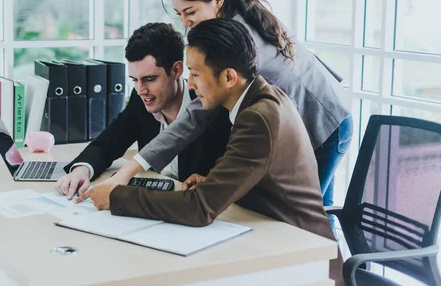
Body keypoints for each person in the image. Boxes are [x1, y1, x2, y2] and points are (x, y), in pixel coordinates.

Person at [79, 19, 341, 283]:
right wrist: (213, 182)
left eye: (195, 74)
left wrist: (118, 198)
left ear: (228, 77)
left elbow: (199, 209)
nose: (190, 84)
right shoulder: (260, 99)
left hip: (303, 256)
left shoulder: (257, 117)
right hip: (272, 237)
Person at [107, 0, 353, 213]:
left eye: (190, 12)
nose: (185, 23)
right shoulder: (230, 24)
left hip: (325, 123)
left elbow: (195, 115)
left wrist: (132, 169)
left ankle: (331, 253)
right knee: (319, 215)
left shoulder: (237, 45)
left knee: (309, 219)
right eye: (179, 14)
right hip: (318, 112)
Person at [55, 22, 231, 199]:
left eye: (150, 79)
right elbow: (108, 143)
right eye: (134, 80)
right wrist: (81, 170)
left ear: (177, 70)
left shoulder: (211, 106)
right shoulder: (141, 100)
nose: (141, 90)